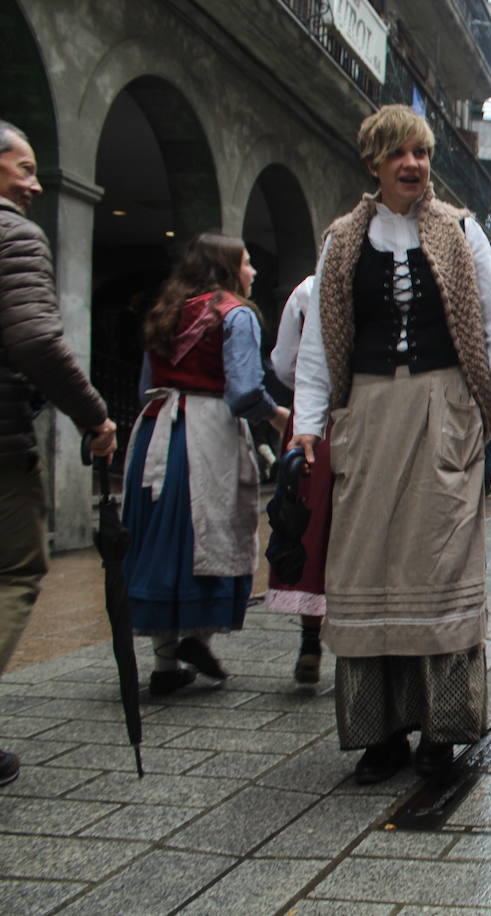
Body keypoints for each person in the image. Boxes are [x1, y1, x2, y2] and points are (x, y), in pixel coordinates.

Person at [288, 105, 491, 783]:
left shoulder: (460, 231)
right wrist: (309, 424)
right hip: (366, 410)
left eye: (421, 153)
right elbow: (317, 345)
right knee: (364, 571)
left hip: (444, 406)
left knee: (441, 565)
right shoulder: (343, 240)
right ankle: (379, 734)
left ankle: (441, 733)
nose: (415, 165)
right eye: (400, 154)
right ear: (374, 164)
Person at [0, 120, 116, 785]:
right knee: (15, 570)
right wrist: (94, 417)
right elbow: (38, 341)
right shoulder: (16, 235)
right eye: (23, 168)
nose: (36, 182)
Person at [124, 233, 288, 694]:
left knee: (163, 538)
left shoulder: (165, 310)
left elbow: (144, 387)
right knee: (210, 530)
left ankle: (163, 665)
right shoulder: (236, 314)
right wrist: (277, 416)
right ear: (228, 267)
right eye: (247, 262)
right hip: (206, 438)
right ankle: (196, 638)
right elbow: (243, 391)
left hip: (157, 435)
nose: (253, 272)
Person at [264, 274, 332, 684]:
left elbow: (284, 363)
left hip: (315, 419)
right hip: (364, 417)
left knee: (312, 526)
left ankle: (310, 640)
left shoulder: (306, 290)